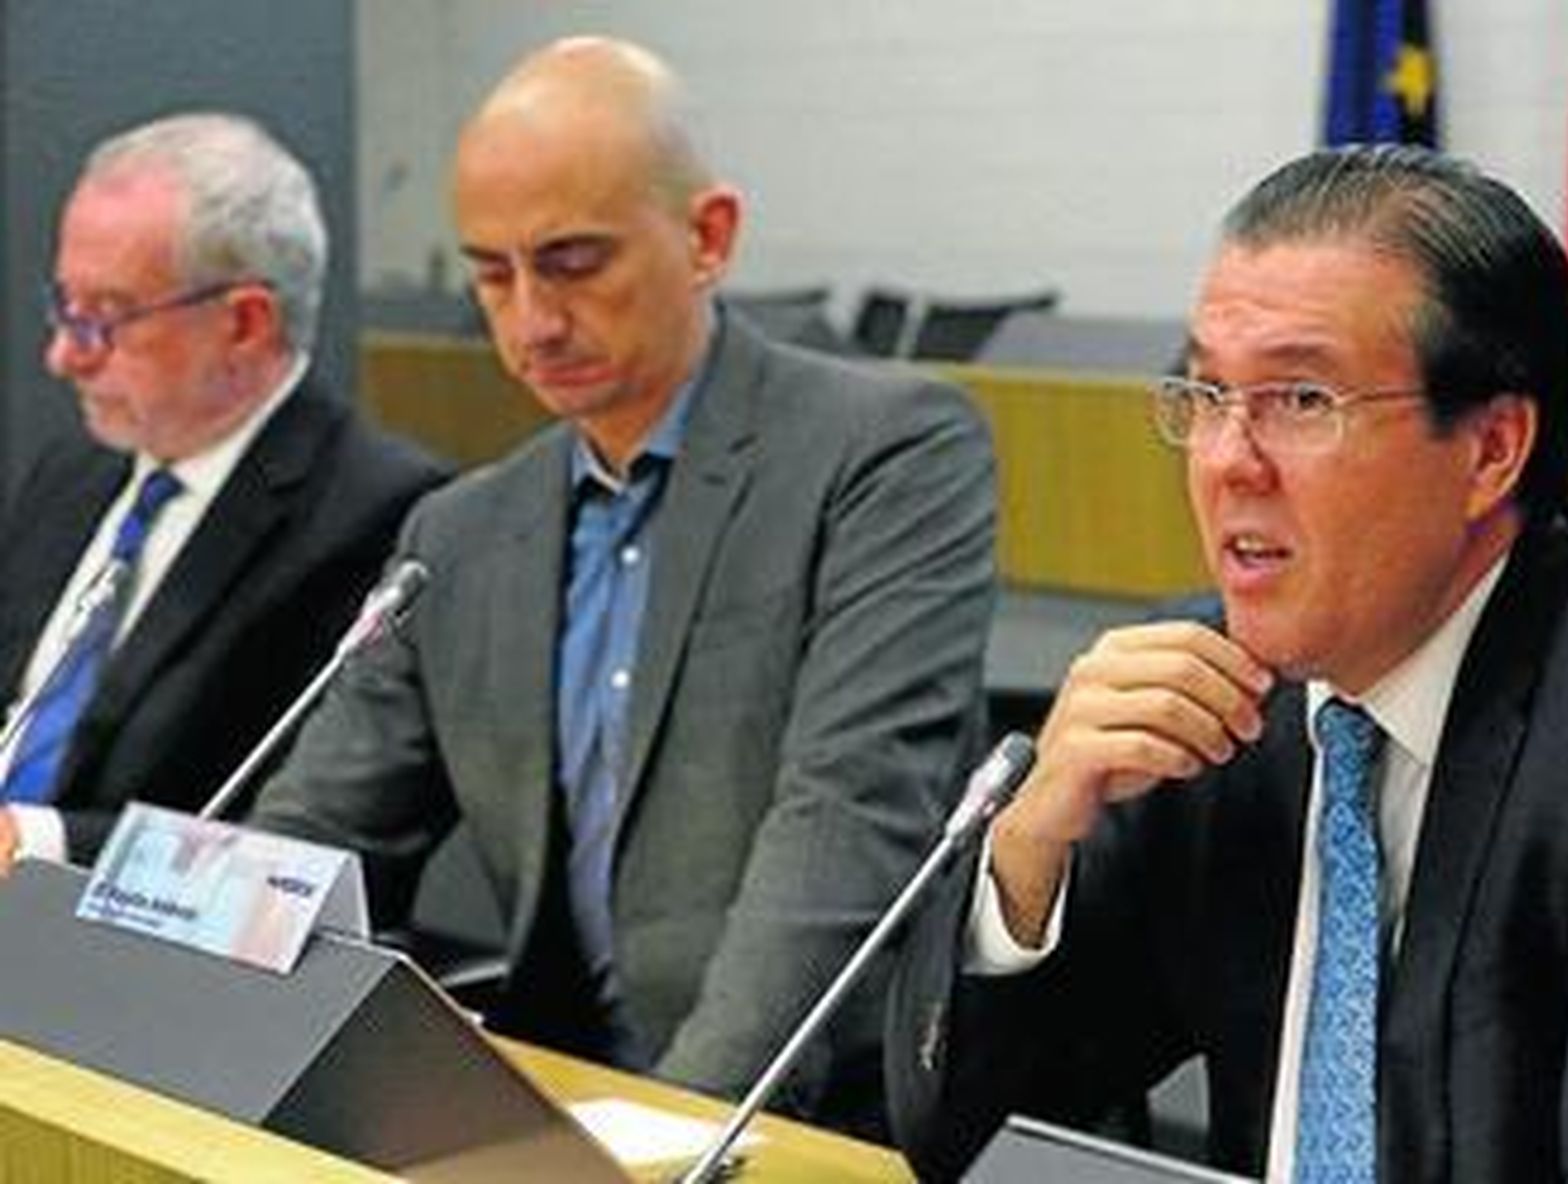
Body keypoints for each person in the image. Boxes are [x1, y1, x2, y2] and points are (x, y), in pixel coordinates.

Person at [249, 35, 996, 1131]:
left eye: (572, 262)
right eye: (490, 274)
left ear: (708, 236)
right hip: (554, 1099)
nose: (528, 321)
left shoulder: (885, 453)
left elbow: (843, 819)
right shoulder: (457, 534)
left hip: (807, 1111)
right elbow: (313, 829)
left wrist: (687, 1130)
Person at [886, 143, 1568, 1181]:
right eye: (1206, 393)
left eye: (1301, 400)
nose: (1226, 459)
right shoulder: (1210, 696)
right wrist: (1030, 843)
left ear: (1490, 449)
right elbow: (962, 1134)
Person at [0, 113, 447, 871]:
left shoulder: (384, 516)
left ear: (244, 323)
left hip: (126, 959)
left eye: (103, 318)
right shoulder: (73, 475)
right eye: (63, 307)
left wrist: (32, 843)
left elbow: (290, 851)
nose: (63, 355)